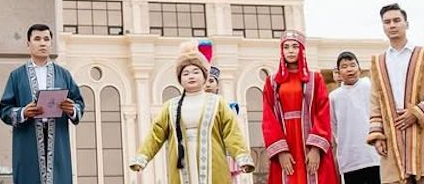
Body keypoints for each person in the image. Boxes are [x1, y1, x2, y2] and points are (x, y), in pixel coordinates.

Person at [130, 42, 253, 184]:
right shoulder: (170, 106)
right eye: (186, 73)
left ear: (204, 75)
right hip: (182, 164)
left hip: (214, 165)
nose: (191, 76)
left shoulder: (218, 103)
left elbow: (232, 133)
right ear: (180, 79)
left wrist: (242, 157)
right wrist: (142, 157)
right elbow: (155, 135)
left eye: (196, 72)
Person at [365, 4, 424, 184]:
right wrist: (377, 135)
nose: (392, 25)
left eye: (397, 20)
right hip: (392, 138)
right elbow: (375, 102)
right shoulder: (378, 62)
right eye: (387, 22)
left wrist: (417, 112)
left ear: (406, 24)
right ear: (383, 26)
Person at [0, 24, 84, 184]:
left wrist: (71, 109)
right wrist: (23, 112)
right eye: (37, 39)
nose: (42, 43)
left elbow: (79, 103)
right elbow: (4, 109)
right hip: (28, 140)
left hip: (57, 142)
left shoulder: (63, 75)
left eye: (46, 39)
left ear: (51, 43)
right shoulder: (17, 76)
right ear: (28, 44)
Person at [260, 29, 338, 184]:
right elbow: (268, 118)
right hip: (286, 142)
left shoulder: (315, 79)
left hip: (311, 143)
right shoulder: (272, 82)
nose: (290, 51)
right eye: (286, 47)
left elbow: (323, 113)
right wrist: (281, 151)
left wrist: (316, 148)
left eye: (294, 46)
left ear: (302, 50)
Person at [330, 51, 381, 184]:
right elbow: (333, 127)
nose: (349, 69)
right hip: (349, 158)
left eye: (353, 65)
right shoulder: (334, 97)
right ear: (339, 72)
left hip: (373, 155)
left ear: (359, 67)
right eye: (344, 66)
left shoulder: (370, 86)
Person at [203, 41, 248, 184]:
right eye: (204, 81)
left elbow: (232, 135)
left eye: (211, 80)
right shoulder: (191, 108)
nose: (207, 84)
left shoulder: (228, 108)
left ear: (217, 85)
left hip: (221, 158)